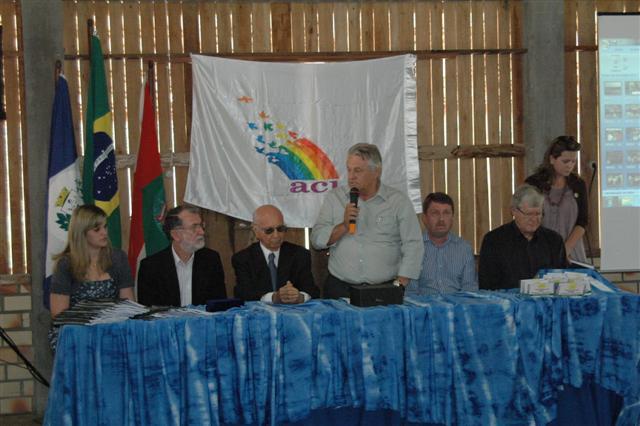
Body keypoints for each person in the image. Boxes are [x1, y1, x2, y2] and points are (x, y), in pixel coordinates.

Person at [311, 143, 424, 298]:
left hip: (385, 288)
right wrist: (344, 226)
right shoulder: (335, 198)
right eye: (349, 169)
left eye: (358, 170)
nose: (351, 176)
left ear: (376, 171)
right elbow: (316, 240)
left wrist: (400, 284)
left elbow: (413, 244)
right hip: (340, 288)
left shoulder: (398, 201)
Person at [49, 205, 135, 348]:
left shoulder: (118, 258)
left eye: (105, 227)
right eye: (97, 229)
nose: (104, 233)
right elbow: (59, 315)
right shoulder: (65, 264)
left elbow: (129, 306)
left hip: (113, 330)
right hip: (75, 334)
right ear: (82, 233)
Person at [478, 184, 568, 290]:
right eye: (528, 214)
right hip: (506, 299)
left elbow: (563, 282)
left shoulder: (554, 241)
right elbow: (487, 286)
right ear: (513, 211)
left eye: (538, 214)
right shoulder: (494, 241)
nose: (533, 219)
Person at [137, 205, 226, 306]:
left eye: (201, 225)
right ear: (176, 235)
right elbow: (149, 310)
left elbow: (218, 305)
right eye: (194, 227)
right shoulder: (151, 267)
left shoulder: (211, 260)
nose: (202, 232)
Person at [233, 205, 319, 303]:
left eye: (280, 229)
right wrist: (274, 297)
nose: (276, 235)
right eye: (269, 230)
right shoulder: (243, 259)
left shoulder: (300, 254)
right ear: (256, 231)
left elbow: (312, 291)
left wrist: (300, 297)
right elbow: (244, 294)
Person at [525, 135, 588, 262]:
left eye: (573, 162)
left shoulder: (578, 184)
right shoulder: (534, 184)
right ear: (552, 159)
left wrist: (565, 249)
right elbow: (526, 220)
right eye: (565, 161)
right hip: (540, 252)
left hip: (572, 253)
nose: (570, 165)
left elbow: (582, 221)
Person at [405, 192, 477, 296]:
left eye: (446, 213)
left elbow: (469, 290)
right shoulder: (412, 248)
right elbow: (410, 293)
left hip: (457, 305)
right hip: (423, 305)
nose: (441, 219)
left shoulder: (464, 249)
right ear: (424, 218)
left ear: (452, 218)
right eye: (435, 213)